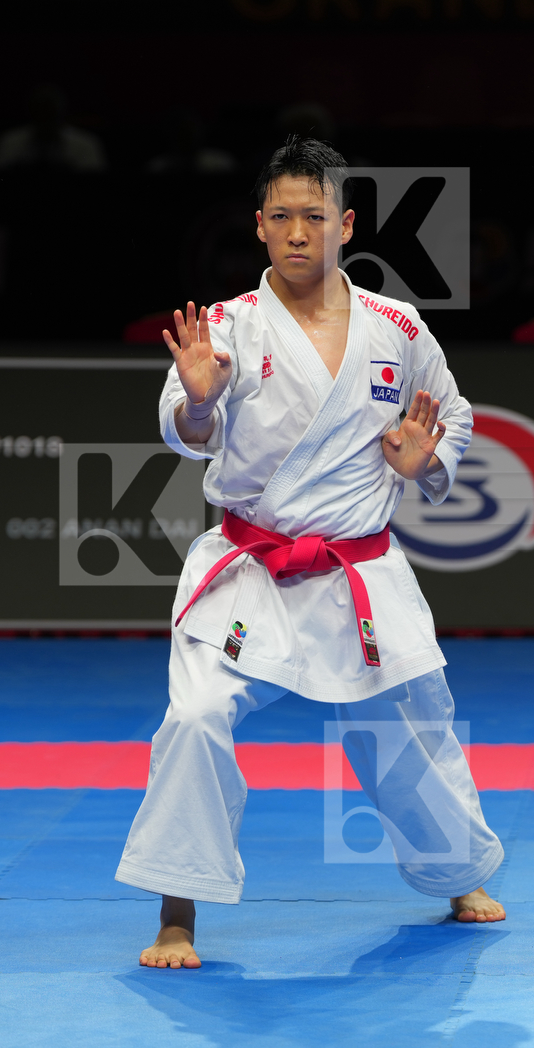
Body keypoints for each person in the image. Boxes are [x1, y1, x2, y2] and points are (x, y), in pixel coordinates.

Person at [118, 136, 506, 970]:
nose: (299, 232)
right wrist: (197, 402)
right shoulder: (224, 326)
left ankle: (459, 872)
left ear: (347, 224)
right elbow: (190, 433)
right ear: (258, 226)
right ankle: (177, 914)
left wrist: (424, 459)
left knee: (411, 729)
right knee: (193, 718)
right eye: (283, 217)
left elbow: (455, 415)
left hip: (359, 570)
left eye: (316, 217)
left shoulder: (398, 327)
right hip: (249, 567)